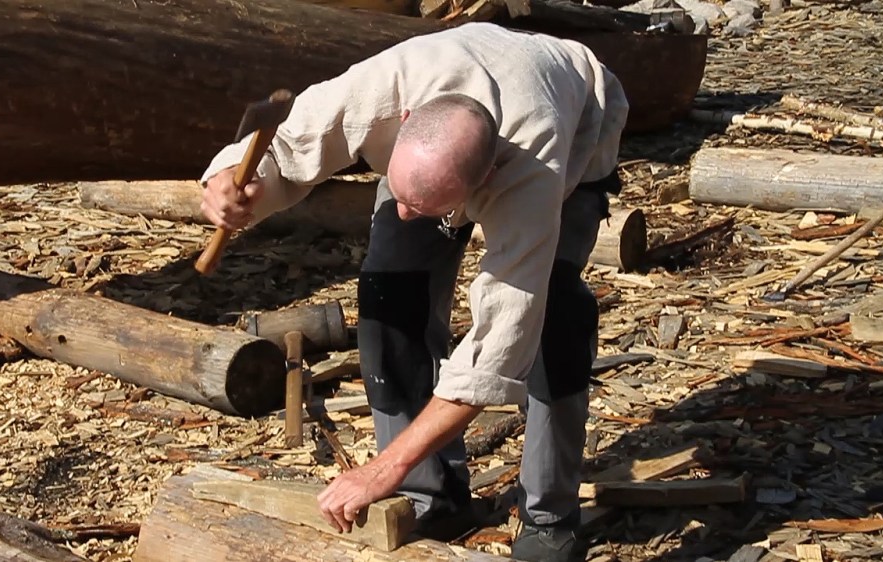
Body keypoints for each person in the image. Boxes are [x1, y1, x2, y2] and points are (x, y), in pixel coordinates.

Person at [199, 21, 628, 561]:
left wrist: (381, 468)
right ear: (402, 123)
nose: (403, 214)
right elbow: (283, 146)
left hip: (578, 122)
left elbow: (500, 341)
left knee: (554, 317)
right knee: (390, 295)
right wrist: (231, 188)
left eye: (421, 208)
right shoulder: (379, 89)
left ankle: (549, 516)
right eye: (397, 193)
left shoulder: (531, 168)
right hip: (442, 144)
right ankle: (432, 496)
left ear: (488, 176)